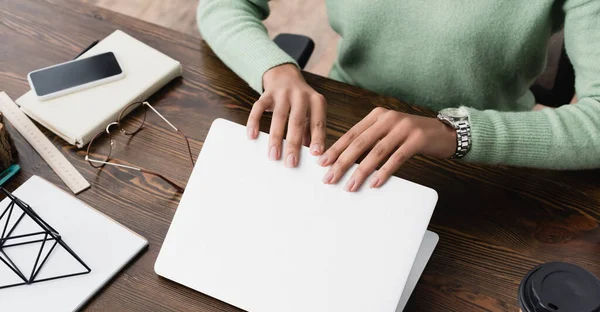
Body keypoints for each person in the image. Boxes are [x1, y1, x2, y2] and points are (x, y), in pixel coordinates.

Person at [197, 1, 600, 191]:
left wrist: (452, 131)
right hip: (340, 132)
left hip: (480, 168)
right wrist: (276, 69)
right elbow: (222, 5)